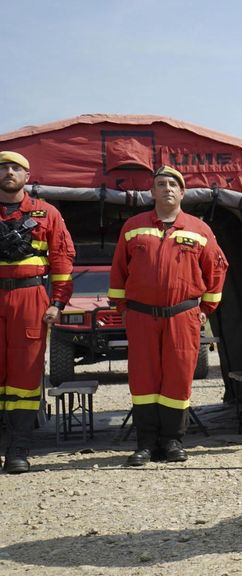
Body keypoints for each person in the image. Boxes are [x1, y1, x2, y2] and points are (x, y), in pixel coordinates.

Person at [108, 165, 227, 467]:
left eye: (173, 184)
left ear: (182, 192)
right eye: (161, 184)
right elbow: (119, 271)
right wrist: (124, 310)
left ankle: (173, 441)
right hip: (142, 317)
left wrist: (205, 309)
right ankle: (146, 444)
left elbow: (216, 271)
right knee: (144, 378)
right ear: (152, 192)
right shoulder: (133, 226)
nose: (167, 189)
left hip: (182, 316)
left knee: (178, 377)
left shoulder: (199, 230)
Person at [0, 151, 75, 474]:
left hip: (30, 298)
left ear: (27, 176)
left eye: (15, 168)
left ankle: (18, 448)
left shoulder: (47, 214)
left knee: (25, 374)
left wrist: (57, 303)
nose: (8, 172)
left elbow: (62, 262)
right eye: (3, 168)